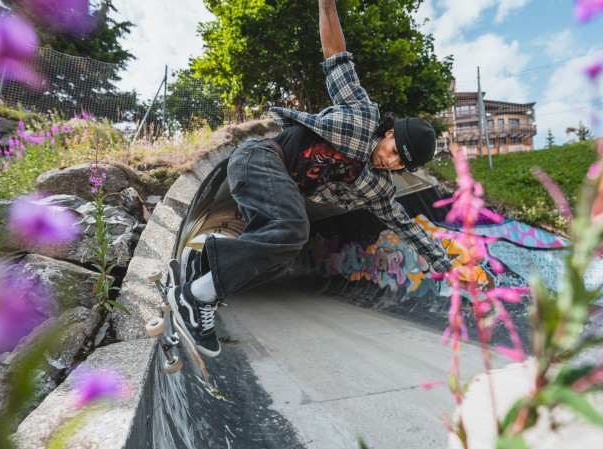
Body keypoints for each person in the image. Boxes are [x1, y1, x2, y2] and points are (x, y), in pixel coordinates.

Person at [166, 0, 452, 358]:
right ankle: (194, 297)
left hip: (273, 186)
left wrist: (443, 262)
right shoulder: (361, 115)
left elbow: (405, 224)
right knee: (293, 227)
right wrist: (327, 4)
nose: (389, 161)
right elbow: (336, 54)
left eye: (399, 165)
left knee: (279, 258)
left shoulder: (379, 187)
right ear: (390, 130)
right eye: (393, 150)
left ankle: (202, 267)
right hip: (259, 158)